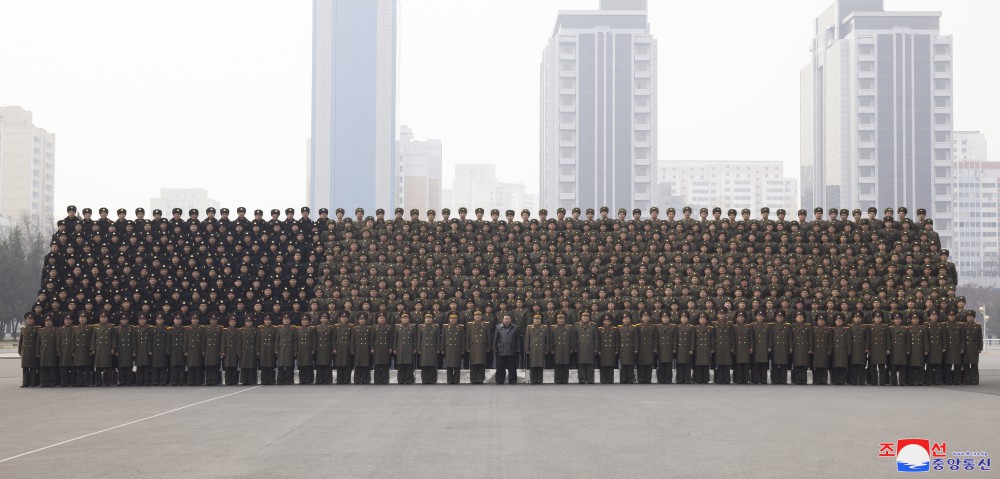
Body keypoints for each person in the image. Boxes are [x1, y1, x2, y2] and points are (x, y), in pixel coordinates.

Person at [92, 311, 117, 387]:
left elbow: (113, 338)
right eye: (102, 317)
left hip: (107, 348)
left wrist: (113, 347)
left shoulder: (111, 327)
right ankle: (98, 382)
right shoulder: (95, 327)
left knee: (108, 366)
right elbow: (93, 338)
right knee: (98, 366)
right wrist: (92, 349)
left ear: (107, 318)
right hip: (98, 348)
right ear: (99, 318)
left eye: (105, 317)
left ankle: (108, 381)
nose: (103, 319)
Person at [466, 311, 491, 384]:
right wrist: (467, 347)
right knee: (473, 363)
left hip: (482, 346)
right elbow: (468, 336)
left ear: (481, 316)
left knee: (481, 363)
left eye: (479, 315)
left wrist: (488, 347)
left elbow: (488, 337)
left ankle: (481, 378)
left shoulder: (486, 324)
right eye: (476, 315)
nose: (478, 317)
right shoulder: (470, 324)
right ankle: (473, 378)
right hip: (473, 346)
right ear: (474, 317)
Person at [493, 314, 518, 385]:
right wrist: (495, 349)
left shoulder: (515, 327)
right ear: (502, 320)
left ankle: (512, 381)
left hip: (512, 350)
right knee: (500, 367)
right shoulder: (498, 327)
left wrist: (517, 349)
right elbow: (495, 339)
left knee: (512, 367)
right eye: (505, 319)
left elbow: (517, 340)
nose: (506, 320)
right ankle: (499, 381)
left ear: (510, 320)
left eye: (508, 319)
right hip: (501, 350)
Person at [572, 312, 597, 384]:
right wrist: (574, 347)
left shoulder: (593, 325)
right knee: (581, 363)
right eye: (584, 316)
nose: (585, 318)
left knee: (590, 364)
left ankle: (590, 379)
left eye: (587, 316)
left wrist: (596, 348)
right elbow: (574, 337)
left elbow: (595, 338)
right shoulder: (576, 325)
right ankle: (582, 379)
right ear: (581, 317)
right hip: (580, 346)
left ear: (589, 317)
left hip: (590, 346)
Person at [442, 313, 465, 384]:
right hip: (448, 348)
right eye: (452, 318)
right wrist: (442, 349)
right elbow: (443, 338)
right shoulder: (445, 327)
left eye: (455, 319)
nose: (453, 320)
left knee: (457, 365)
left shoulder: (460, 327)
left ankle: (456, 380)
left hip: (457, 348)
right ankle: (450, 380)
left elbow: (462, 339)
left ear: (457, 319)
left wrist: (463, 349)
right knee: (448, 365)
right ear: (449, 319)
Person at [867, 312, 890, 385]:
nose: (878, 319)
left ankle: (882, 381)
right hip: (873, 348)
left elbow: (888, 339)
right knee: (873, 366)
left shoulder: (885, 327)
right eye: (876, 318)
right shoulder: (870, 327)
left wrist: (888, 349)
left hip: (882, 348)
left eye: (879, 318)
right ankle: (873, 381)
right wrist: (867, 349)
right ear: (873, 319)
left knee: (882, 366)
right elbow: (868, 339)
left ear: (882, 319)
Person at [942, 310, 964, 385]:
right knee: (948, 365)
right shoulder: (944, 325)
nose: (952, 317)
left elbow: (962, 338)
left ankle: (957, 380)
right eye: (950, 315)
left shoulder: (960, 325)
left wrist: (962, 347)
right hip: (948, 347)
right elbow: (943, 337)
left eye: (953, 315)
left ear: (955, 316)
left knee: (957, 365)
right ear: (947, 316)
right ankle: (948, 380)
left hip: (957, 347)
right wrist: (944, 347)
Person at [417, 313, 440, 384]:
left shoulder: (436, 326)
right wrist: (418, 349)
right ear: (424, 319)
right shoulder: (421, 326)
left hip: (433, 347)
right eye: (427, 318)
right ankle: (425, 380)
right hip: (424, 348)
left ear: (432, 319)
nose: (428, 319)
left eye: (430, 318)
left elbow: (438, 339)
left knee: (432, 364)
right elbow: (419, 339)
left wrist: (438, 348)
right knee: (424, 365)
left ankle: (432, 380)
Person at [550, 313, 573, 384]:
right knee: (557, 364)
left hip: (566, 348)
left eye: (562, 319)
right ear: (556, 320)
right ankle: (557, 379)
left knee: (566, 364)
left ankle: (565, 380)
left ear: (564, 319)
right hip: (556, 348)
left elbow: (572, 339)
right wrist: (551, 349)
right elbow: (551, 339)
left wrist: (572, 348)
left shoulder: (569, 327)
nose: (560, 320)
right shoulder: (553, 328)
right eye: (559, 319)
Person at [525, 314, 548, 384]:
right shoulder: (529, 327)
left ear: (541, 320)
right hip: (533, 348)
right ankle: (533, 379)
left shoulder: (544, 327)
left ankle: (539, 379)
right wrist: (527, 349)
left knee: (540, 365)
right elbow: (527, 339)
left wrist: (547, 349)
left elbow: (547, 339)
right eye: (536, 319)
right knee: (532, 364)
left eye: (539, 319)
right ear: (533, 320)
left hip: (541, 348)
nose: (537, 320)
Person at [770, 312, 791, 385]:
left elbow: (789, 337)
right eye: (778, 317)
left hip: (784, 347)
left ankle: (783, 379)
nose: (779, 318)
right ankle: (775, 379)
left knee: (783, 364)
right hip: (775, 346)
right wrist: (769, 346)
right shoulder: (772, 326)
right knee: (774, 364)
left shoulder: (787, 326)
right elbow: (770, 337)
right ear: (775, 318)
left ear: (783, 318)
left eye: (781, 317)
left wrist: (790, 347)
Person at [36, 315, 58, 387]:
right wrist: (37, 352)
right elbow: (38, 342)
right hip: (43, 351)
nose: (48, 323)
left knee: (52, 368)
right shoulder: (41, 330)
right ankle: (43, 382)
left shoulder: (55, 330)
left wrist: (58, 351)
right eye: (46, 321)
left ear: (52, 322)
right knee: (43, 368)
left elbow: (57, 342)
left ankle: (52, 382)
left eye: (49, 321)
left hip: (52, 351)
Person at [888, 314, 910, 386]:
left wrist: (908, 349)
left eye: (899, 319)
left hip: (902, 349)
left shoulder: (905, 329)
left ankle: (902, 382)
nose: (897, 320)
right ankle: (893, 382)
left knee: (902, 366)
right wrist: (888, 349)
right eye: (896, 319)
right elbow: (888, 340)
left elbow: (908, 340)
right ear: (893, 320)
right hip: (893, 349)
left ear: (901, 320)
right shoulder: (890, 328)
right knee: (893, 366)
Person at [791, 312, 812, 385]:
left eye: (801, 317)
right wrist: (791, 346)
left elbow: (810, 338)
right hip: (796, 347)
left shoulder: (807, 326)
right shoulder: (792, 326)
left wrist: (810, 349)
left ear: (803, 318)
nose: (799, 318)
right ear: (795, 318)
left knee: (804, 364)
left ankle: (803, 380)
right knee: (796, 364)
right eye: (798, 317)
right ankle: (796, 380)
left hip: (804, 348)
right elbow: (790, 337)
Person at [732, 312, 753, 385]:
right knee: (738, 364)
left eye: (742, 317)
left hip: (745, 347)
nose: (740, 318)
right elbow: (733, 338)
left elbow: (750, 338)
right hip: (737, 347)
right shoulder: (734, 327)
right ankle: (738, 380)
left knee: (746, 364)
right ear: (736, 318)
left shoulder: (748, 326)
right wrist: (733, 347)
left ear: (744, 318)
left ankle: (746, 379)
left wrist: (751, 347)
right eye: (739, 317)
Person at [848, 313, 869, 386]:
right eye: (856, 317)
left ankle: (862, 381)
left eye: (859, 317)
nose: (857, 319)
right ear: (853, 319)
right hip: (853, 349)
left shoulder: (864, 328)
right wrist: (849, 350)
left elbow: (867, 339)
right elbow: (848, 340)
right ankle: (853, 381)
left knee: (862, 365)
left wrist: (866, 348)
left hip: (861, 349)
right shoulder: (850, 328)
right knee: (853, 366)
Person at [371, 313, 393, 385]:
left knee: (385, 365)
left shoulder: (389, 327)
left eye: (383, 318)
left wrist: (390, 347)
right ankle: (377, 380)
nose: (382, 319)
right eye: (380, 318)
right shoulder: (374, 327)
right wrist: (372, 348)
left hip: (386, 348)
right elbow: (372, 339)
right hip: (377, 348)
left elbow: (391, 339)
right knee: (377, 365)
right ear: (377, 319)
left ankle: (385, 380)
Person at [597, 314, 619, 384]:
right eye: (605, 321)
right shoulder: (599, 329)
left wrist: (616, 349)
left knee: (611, 365)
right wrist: (598, 350)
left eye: (608, 321)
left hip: (611, 349)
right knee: (603, 365)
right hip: (603, 349)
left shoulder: (614, 329)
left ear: (611, 322)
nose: (607, 322)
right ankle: (603, 380)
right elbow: (598, 340)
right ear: (603, 322)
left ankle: (610, 380)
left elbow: (617, 340)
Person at [351, 313, 373, 384]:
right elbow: (352, 340)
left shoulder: (369, 328)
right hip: (357, 348)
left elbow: (371, 340)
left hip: (366, 348)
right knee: (357, 365)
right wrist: (352, 349)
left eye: (363, 319)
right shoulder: (354, 328)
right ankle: (357, 380)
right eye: (360, 319)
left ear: (366, 320)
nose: (362, 320)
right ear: (358, 320)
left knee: (366, 365)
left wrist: (371, 348)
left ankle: (365, 380)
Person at [908, 314, 929, 386]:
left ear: (919, 320)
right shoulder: (908, 328)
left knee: (920, 366)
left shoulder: (923, 328)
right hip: (911, 349)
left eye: (916, 319)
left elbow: (925, 339)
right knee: (911, 366)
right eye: (913, 319)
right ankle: (911, 381)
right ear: (911, 320)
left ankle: (920, 381)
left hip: (920, 349)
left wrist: (926, 349)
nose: (915, 320)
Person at [693, 313, 714, 384]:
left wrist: (712, 348)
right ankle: (698, 379)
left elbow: (712, 339)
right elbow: (693, 339)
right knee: (698, 364)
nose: (702, 320)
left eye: (704, 318)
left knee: (706, 364)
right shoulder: (695, 328)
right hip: (698, 347)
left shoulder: (710, 328)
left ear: (706, 320)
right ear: (698, 320)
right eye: (701, 318)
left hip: (707, 347)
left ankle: (705, 379)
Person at [635, 312, 656, 384]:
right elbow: (636, 339)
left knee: (649, 363)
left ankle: (648, 379)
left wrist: (655, 348)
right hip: (641, 347)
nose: (646, 318)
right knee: (641, 363)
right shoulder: (638, 326)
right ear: (641, 318)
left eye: (647, 316)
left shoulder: (653, 326)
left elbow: (655, 338)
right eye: (644, 316)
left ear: (649, 318)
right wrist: (636, 348)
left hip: (650, 347)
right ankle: (641, 379)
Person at [963, 311, 983, 385]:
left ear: (974, 317)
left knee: (974, 364)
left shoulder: (977, 326)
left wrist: (980, 348)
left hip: (974, 346)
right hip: (965, 346)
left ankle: (975, 379)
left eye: (971, 316)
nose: (969, 318)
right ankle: (967, 379)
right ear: (966, 317)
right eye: (968, 316)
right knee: (966, 364)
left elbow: (980, 338)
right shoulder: (963, 326)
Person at [655, 313, 676, 384]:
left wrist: (674, 348)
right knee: (661, 364)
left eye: (666, 318)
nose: (665, 319)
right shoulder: (657, 326)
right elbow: (656, 338)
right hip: (661, 347)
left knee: (669, 364)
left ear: (669, 318)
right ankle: (661, 379)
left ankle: (668, 379)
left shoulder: (673, 326)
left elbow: (675, 339)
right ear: (661, 319)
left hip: (669, 347)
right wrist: (655, 348)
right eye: (663, 318)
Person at [184, 314, 205, 386]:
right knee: (190, 366)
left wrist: (203, 349)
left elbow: (203, 340)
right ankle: (190, 381)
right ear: (191, 320)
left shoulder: (202, 328)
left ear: (198, 320)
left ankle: (198, 381)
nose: (194, 321)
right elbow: (185, 340)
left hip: (198, 349)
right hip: (190, 349)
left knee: (198, 366)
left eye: (196, 319)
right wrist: (185, 350)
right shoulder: (187, 328)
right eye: (193, 319)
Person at [810, 315, 832, 385]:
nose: (821, 322)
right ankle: (816, 380)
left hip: (824, 350)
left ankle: (824, 380)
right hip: (816, 350)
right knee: (816, 366)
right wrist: (811, 349)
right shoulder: (814, 329)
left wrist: (829, 350)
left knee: (824, 366)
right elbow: (811, 341)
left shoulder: (828, 330)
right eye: (819, 320)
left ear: (825, 322)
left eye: (822, 320)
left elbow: (830, 342)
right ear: (817, 321)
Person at [203, 314, 223, 386]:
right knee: (208, 366)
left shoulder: (220, 328)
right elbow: (203, 340)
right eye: (212, 320)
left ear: (217, 320)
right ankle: (208, 380)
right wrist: (203, 349)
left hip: (216, 349)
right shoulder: (206, 328)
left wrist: (221, 350)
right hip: (208, 349)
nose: (213, 321)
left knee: (215, 366)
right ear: (210, 320)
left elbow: (222, 340)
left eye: (214, 320)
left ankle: (214, 380)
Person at [333, 312, 353, 384]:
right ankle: (339, 380)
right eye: (342, 317)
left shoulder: (351, 327)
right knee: (339, 364)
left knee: (347, 364)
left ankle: (347, 380)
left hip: (347, 347)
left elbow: (352, 339)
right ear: (339, 318)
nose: (343, 319)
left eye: (345, 317)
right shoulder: (336, 327)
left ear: (347, 318)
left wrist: (351, 349)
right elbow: (333, 339)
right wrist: (334, 348)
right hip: (339, 347)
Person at [314, 313, 334, 385]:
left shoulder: (331, 327)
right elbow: (315, 339)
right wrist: (314, 348)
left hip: (327, 347)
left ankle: (327, 380)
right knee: (319, 364)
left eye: (325, 318)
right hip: (319, 348)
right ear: (320, 319)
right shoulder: (316, 327)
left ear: (328, 319)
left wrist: (333, 348)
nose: (324, 319)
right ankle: (319, 380)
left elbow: (333, 339)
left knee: (327, 364)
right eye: (322, 318)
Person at [830, 315, 851, 385]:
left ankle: (842, 381)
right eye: (837, 321)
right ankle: (835, 380)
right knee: (835, 366)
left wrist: (848, 351)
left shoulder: (846, 330)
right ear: (835, 322)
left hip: (843, 350)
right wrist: (830, 351)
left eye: (840, 321)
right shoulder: (832, 330)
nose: (839, 322)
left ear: (842, 322)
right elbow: (830, 341)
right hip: (835, 350)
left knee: (843, 366)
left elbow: (848, 341)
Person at [257, 314, 277, 385]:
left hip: (271, 349)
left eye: (268, 320)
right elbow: (258, 340)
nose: (267, 321)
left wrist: (275, 349)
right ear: (264, 321)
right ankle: (264, 380)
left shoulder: (274, 328)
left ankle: (271, 380)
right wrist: (258, 350)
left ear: (271, 321)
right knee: (263, 365)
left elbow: (276, 340)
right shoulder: (260, 328)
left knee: (271, 365)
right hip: (263, 349)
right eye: (266, 320)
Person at [115, 314, 135, 386]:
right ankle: (122, 381)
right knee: (120, 366)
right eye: (122, 320)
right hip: (120, 349)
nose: (124, 321)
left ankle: (129, 381)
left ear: (127, 320)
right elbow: (115, 341)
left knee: (129, 366)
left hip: (129, 349)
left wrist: (133, 351)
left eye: (125, 320)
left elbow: (133, 340)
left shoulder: (131, 328)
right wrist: (116, 350)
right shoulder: (117, 329)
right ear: (120, 321)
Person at [238, 316, 258, 385]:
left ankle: (251, 380)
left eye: (250, 322)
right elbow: (239, 342)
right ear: (245, 323)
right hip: (244, 350)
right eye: (247, 322)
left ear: (252, 323)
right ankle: (244, 380)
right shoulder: (241, 330)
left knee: (252, 366)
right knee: (243, 366)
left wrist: (257, 350)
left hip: (252, 350)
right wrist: (239, 351)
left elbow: (257, 341)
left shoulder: (255, 330)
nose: (248, 323)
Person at [751, 311, 770, 384]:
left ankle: (763, 380)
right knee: (755, 364)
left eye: (761, 316)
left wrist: (769, 346)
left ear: (764, 317)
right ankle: (755, 380)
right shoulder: (752, 325)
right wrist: (751, 347)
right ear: (756, 317)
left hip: (764, 346)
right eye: (758, 316)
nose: (760, 317)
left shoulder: (767, 325)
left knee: (764, 364)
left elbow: (770, 337)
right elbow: (751, 337)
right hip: (756, 346)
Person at [134, 314, 154, 386]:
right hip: (139, 350)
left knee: (146, 366)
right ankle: (139, 381)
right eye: (140, 320)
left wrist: (150, 350)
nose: (141, 321)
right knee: (139, 366)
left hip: (146, 349)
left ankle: (146, 381)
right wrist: (134, 351)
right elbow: (134, 340)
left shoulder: (150, 328)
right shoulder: (135, 328)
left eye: (143, 320)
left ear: (146, 320)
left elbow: (151, 340)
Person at [151, 313, 170, 386]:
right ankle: (155, 381)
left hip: (163, 350)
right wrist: (150, 350)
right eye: (158, 319)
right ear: (156, 320)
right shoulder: (152, 329)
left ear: (163, 320)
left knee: (163, 366)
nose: (159, 320)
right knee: (155, 367)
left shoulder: (167, 329)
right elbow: (150, 340)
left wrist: (167, 350)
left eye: (161, 319)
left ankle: (163, 382)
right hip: (155, 350)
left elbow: (168, 341)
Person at [675, 313, 694, 384]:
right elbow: (675, 339)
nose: (684, 319)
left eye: (685, 318)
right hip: (679, 348)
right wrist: (675, 348)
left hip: (687, 348)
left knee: (687, 364)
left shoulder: (691, 327)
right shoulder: (677, 327)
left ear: (688, 319)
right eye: (682, 318)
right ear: (680, 319)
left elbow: (692, 339)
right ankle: (680, 379)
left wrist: (691, 349)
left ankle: (687, 379)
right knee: (679, 365)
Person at [57, 314, 75, 387]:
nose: (68, 321)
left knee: (72, 368)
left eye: (69, 320)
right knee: (64, 368)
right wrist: (58, 351)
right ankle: (64, 382)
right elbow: (58, 341)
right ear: (64, 321)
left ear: (71, 321)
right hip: (63, 350)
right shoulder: (60, 329)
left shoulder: (74, 328)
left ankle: (72, 382)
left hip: (71, 350)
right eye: (66, 320)